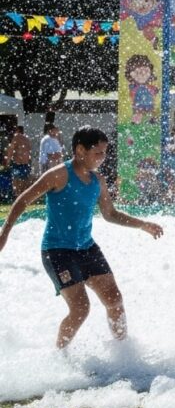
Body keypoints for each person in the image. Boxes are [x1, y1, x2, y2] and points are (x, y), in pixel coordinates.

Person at [0, 126, 163, 349]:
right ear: (79, 150)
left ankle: (124, 353)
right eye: (97, 152)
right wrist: (4, 234)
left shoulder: (98, 181)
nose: (102, 158)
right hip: (57, 251)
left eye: (105, 152)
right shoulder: (59, 174)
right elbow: (23, 200)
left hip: (86, 248)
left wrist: (142, 225)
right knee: (80, 309)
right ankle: (59, 356)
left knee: (115, 300)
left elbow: (110, 214)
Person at [3, 125, 32, 197]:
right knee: (24, 179)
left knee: (16, 179)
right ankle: (22, 194)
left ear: (17, 131)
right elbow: (29, 151)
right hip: (25, 163)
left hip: (17, 163)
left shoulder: (16, 137)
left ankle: (17, 194)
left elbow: (11, 150)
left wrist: (8, 161)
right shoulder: (27, 139)